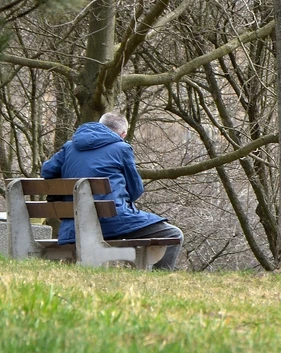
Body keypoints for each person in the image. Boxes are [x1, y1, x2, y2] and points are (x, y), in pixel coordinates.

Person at [41, 113, 184, 270]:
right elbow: (135, 190)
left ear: (100, 125)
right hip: (113, 223)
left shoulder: (69, 147)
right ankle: (161, 280)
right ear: (123, 134)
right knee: (173, 234)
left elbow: (47, 171)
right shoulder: (122, 148)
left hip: (74, 227)